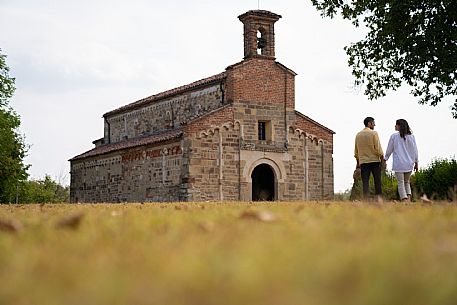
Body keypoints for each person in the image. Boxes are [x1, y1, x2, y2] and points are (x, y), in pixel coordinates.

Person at [384, 119, 419, 202]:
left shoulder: (394, 136)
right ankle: (409, 199)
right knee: (407, 182)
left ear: (399, 126)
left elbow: (389, 149)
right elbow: (415, 150)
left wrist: (385, 159)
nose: (395, 126)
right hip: (409, 164)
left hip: (399, 164)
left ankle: (404, 199)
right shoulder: (412, 137)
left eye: (396, 124)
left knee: (401, 182)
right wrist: (416, 162)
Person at [354, 117, 385, 202]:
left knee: (365, 182)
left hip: (363, 162)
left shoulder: (358, 135)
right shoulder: (374, 133)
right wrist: (382, 159)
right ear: (369, 123)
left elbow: (356, 151)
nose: (374, 125)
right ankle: (379, 199)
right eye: (373, 123)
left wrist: (358, 163)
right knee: (377, 181)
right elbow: (378, 148)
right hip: (375, 161)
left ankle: (366, 199)